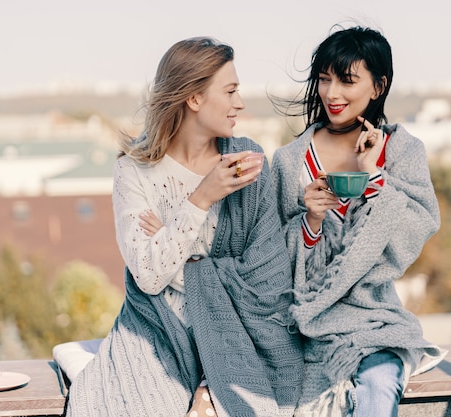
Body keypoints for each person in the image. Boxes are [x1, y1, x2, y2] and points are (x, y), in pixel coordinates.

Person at [65, 36, 304, 417]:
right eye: (230, 91)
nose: (239, 102)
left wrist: (173, 243)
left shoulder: (249, 163)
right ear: (194, 98)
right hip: (158, 331)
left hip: (239, 334)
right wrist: (200, 199)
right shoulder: (134, 172)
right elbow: (148, 277)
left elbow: (267, 282)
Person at [270, 24, 447, 417]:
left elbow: (412, 235)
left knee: (380, 379)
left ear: (378, 86)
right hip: (298, 319)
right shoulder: (288, 162)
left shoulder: (401, 151)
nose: (332, 94)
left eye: (347, 80)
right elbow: (268, 255)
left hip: (373, 317)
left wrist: (373, 180)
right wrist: (311, 221)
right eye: (324, 80)